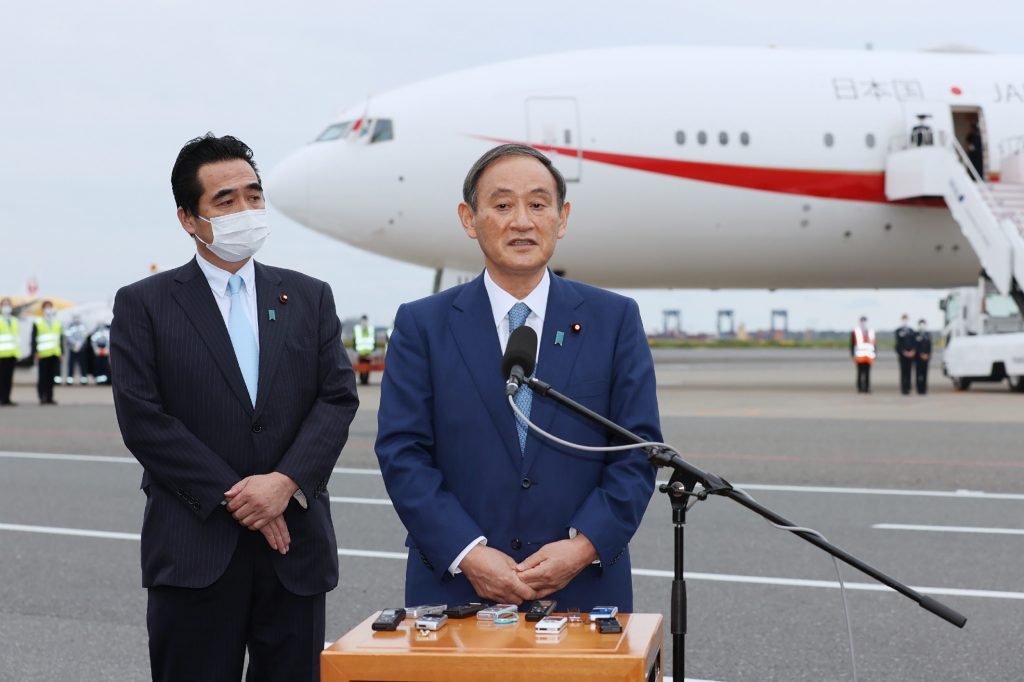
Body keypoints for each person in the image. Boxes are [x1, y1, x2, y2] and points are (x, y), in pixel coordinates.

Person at [110, 133, 359, 682]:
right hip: (195, 551)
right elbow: (143, 420)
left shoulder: (308, 296)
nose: (245, 210)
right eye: (225, 201)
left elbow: (337, 396)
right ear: (188, 219)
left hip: (294, 550)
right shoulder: (144, 304)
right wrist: (241, 497)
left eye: (253, 195)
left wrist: (285, 482)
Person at [375, 144, 661, 613]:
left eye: (538, 204)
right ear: (470, 219)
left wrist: (582, 548)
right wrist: (468, 553)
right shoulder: (421, 324)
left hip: (584, 589)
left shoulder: (615, 320)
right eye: (503, 205)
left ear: (562, 218)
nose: (522, 221)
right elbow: (402, 453)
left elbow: (638, 450)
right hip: (457, 589)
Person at [32, 300, 62, 405]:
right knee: (42, 377)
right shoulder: (38, 322)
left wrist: (61, 351)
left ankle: (50, 397)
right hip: (43, 354)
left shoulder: (56, 322)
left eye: (50, 307)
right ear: (43, 309)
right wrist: (35, 351)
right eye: (46, 307)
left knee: (51, 377)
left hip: (54, 353)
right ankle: (42, 396)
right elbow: (33, 338)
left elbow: (59, 338)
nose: (48, 309)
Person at [62, 314, 89, 385]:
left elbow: (84, 335)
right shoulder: (69, 326)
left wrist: (80, 343)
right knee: (71, 364)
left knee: (82, 364)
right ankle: (69, 379)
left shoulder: (83, 325)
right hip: (72, 348)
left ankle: (84, 379)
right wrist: (74, 343)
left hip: (81, 347)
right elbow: (68, 335)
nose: (76, 319)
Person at [0, 297, 18, 406]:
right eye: (4, 305)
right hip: (1, 354)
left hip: (12, 353)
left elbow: (15, 338)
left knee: (9, 378)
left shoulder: (14, 321)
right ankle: (1, 398)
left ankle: (7, 398)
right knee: (1, 378)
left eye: (8, 305)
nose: (7, 307)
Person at [850, 316, 875, 393]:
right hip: (859, 356)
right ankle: (860, 388)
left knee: (867, 373)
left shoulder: (870, 331)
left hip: (868, 356)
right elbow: (852, 344)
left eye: (864, 321)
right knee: (860, 373)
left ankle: (867, 388)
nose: (863, 322)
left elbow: (873, 344)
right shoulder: (855, 331)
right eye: (862, 321)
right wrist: (853, 355)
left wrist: (874, 354)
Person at [895, 314, 916, 395]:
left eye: (906, 319)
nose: (905, 321)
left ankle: (909, 387)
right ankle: (904, 388)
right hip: (902, 355)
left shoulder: (911, 331)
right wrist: (903, 352)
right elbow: (898, 344)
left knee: (909, 371)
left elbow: (914, 342)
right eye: (903, 319)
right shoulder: (898, 331)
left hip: (911, 354)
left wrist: (913, 351)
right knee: (903, 372)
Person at [352, 314, 375, 385]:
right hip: (362, 351)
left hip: (367, 351)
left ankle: (364, 380)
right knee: (362, 367)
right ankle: (363, 379)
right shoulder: (359, 329)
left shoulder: (369, 328)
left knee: (366, 367)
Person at [914, 319, 932, 395]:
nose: (922, 326)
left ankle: (924, 389)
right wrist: (920, 354)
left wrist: (927, 354)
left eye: (923, 324)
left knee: (925, 374)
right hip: (918, 358)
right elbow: (915, 346)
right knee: (918, 374)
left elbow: (930, 346)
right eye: (921, 324)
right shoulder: (915, 334)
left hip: (926, 358)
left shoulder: (928, 335)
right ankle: (919, 389)